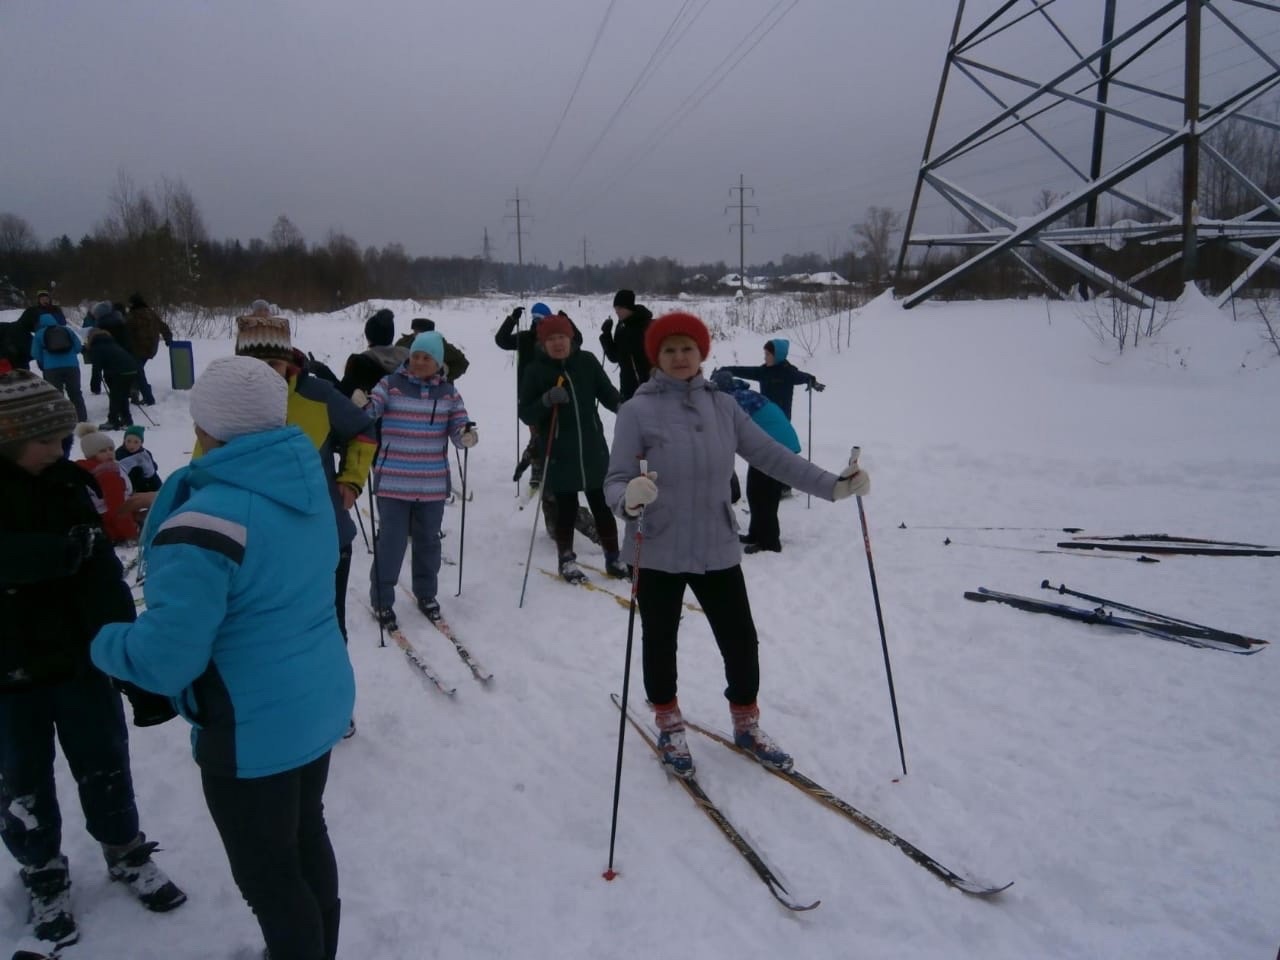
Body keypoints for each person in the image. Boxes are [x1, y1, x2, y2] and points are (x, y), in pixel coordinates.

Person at [91, 356, 353, 960]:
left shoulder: (206, 525)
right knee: (305, 833)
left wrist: (103, 642)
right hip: (317, 699)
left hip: (251, 726)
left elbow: (165, 661)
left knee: (269, 876)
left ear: (204, 426)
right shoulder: (306, 483)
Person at [603, 312, 870, 779]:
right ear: (656, 358)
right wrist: (627, 499)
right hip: (658, 547)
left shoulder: (724, 407)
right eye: (670, 350)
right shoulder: (636, 411)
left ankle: (746, 723)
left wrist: (834, 486)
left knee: (741, 641)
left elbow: (771, 456)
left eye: (688, 348)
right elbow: (616, 480)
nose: (680, 357)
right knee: (659, 641)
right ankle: (669, 724)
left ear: (702, 353)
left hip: (716, 545)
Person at [0, 363, 185, 948]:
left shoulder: (68, 483)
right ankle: (43, 870)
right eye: (48, 441)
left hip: (82, 660)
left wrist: (133, 666)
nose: (60, 450)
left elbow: (103, 578)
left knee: (104, 759)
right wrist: (56, 554)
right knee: (21, 778)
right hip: (10, 671)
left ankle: (124, 847)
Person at [232, 312, 375, 648]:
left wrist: (352, 479)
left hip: (325, 535)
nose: (265, 374)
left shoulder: (318, 395)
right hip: (257, 544)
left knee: (328, 629)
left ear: (288, 363)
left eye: (273, 364)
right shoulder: (230, 402)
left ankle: (334, 692)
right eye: (254, 365)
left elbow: (363, 430)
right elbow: (204, 463)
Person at [364, 332, 475, 627]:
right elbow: (370, 410)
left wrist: (466, 435)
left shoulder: (449, 393)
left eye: (427, 357)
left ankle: (426, 593)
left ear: (438, 362)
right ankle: (382, 599)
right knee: (392, 542)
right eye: (416, 356)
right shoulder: (390, 385)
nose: (420, 362)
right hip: (394, 482)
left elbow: (458, 428)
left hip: (432, 484)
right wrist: (361, 404)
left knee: (428, 542)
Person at [518, 312, 626, 582]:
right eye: (551, 338)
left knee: (602, 506)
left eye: (562, 337)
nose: (558, 343)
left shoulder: (587, 362)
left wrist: (626, 408)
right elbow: (526, 414)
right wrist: (545, 400)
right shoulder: (535, 370)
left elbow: (608, 393)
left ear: (571, 338)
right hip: (559, 453)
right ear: (543, 343)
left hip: (592, 449)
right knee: (565, 509)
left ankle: (614, 558)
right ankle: (566, 560)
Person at [709, 370, 799, 553]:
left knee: (765, 496)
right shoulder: (741, 394)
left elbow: (727, 428)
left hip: (775, 448)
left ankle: (770, 541)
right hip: (770, 445)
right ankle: (756, 533)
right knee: (755, 492)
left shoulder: (735, 399)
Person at [496, 303, 582, 489]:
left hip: (555, 388)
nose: (538, 322)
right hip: (532, 391)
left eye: (540, 318)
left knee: (549, 429)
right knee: (539, 430)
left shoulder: (548, 338)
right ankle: (537, 465)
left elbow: (576, 341)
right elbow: (501, 341)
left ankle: (540, 462)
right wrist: (511, 320)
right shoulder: (525, 337)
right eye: (536, 319)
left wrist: (567, 322)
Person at [718, 338, 825, 420]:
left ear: (777, 355)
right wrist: (725, 370)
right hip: (766, 414)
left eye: (768, 354)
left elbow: (803, 376)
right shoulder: (763, 371)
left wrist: (812, 381)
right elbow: (744, 370)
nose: (765, 357)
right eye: (765, 354)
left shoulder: (788, 372)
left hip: (782, 418)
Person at [74, 423, 140, 544]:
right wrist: (131, 533)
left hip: (98, 518)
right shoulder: (107, 473)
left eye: (111, 449)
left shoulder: (87, 468)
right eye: (102, 451)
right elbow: (117, 506)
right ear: (92, 454)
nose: (109, 453)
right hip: (111, 520)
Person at [598, 288, 654, 402]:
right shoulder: (622, 326)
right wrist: (606, 335)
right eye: (615, 308)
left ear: (628, 307)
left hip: (647, 387)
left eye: (619, 308)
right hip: (627, 387)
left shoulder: (645, 326)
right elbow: (614, 356)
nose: (616, 311)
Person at [338, 309, 408, 399]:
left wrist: (323, 372)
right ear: (391, 334)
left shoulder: (360, 363)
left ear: (368, 336)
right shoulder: (409, 356)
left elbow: (342, 395)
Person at [31, 312, 87, 422]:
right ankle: (81, 417)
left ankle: (60, 418)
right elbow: (78, 348)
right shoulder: (67, 330)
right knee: (75, 393)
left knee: (56, 394)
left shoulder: (39, 334)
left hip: (51, 368)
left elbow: (35, 354)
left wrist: (44, 362)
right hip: (71, 366)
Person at [84, 323, 138, 430]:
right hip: (132, 368)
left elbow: (96, 369)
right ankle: (127, 420)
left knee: (115, 396)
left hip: (119, 372)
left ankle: (113, 421)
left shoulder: (97, 347)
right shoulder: (111, 343)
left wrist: (95, 386)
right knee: (122, 396)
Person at [123, 294, 173, 406]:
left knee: (138, 373)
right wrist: (168, 338)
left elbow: (125, 332)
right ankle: (135, 392)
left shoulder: (131, 316)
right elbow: (163, 326)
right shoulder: (151, 313)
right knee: (137, 371)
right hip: (151, 349)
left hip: (137, 350)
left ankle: (148, 398)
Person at [395, 318, 470, 380]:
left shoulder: (440, 345)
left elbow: (461, 363)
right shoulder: (403, 343)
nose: (418, 335)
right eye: (415, 331)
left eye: (422, 333)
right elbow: (393, 363)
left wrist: (444, 376)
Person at [115, 425, 163, 494]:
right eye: (128, 441)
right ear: (124, 440)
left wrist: (151, 467)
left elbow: (153, 466)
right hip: (130, 487)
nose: (131, 445)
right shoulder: (119, 453)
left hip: (148, 484)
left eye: (136, 442)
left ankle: (160, 493)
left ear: (141, 443)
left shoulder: (145, 453)